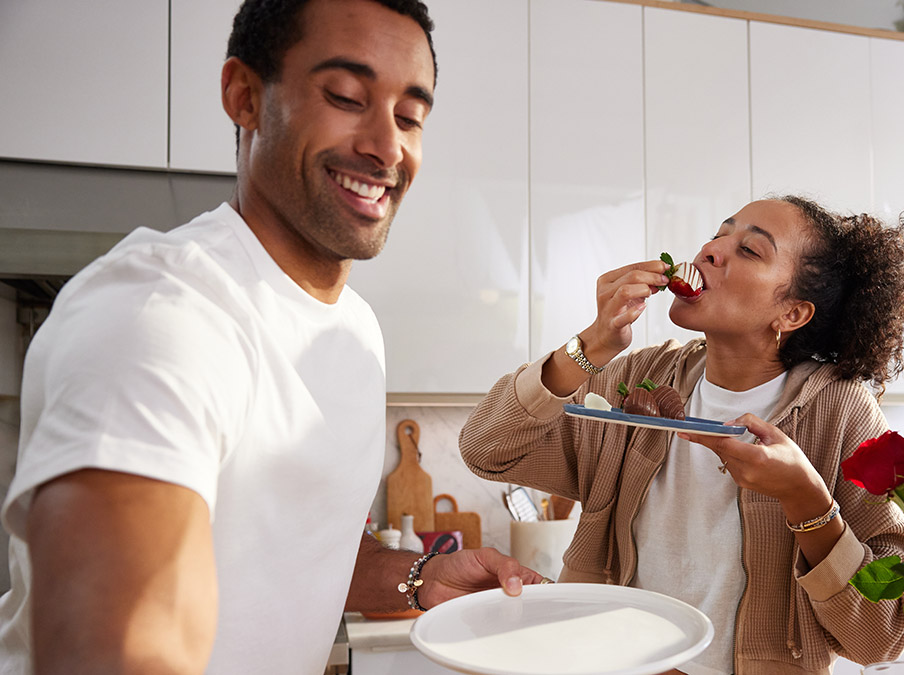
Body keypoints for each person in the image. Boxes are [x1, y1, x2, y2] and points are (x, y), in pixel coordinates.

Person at [0, 1, 542, 672]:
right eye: (347, 96)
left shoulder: (354, 333)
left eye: (409, 116)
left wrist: (420, 576)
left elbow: (299, 550)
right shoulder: (160, 317)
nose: (386, 145)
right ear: (245, 96)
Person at [461, 196, 904, 675]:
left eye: (749, 250)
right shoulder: (642, 374)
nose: (710, 250)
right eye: (720, 233)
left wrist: (806, 501)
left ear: (792, 313)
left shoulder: (841, 411)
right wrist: (591, 346)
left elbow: (882, 636)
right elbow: (485, 450)